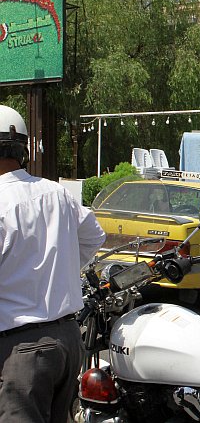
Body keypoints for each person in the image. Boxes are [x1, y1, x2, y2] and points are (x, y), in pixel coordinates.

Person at [0, 105, 106, 422]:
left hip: (21, 350)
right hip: (67, 340)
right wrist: (61, 272)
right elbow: (94, 237)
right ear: (23, 152)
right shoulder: (56, 193)